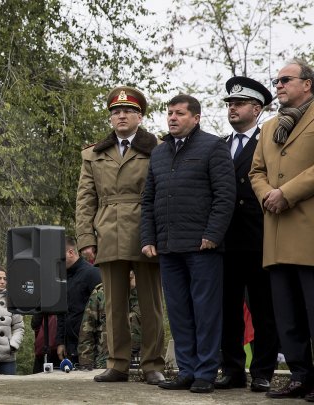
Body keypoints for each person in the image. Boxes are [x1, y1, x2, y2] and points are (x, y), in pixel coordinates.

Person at [141, 94, 235, 393]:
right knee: (179, 312)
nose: (172, 118)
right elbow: (148, 200)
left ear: (195, 118)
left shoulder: (213, 146)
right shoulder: (159, 152)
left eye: (179, 113)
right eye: (169, 113)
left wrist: (213, 234)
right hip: (168, 247)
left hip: (202, 247)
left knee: (206, 312)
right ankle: (187, 371)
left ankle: (206, 372)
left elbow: (225, 196)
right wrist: (148, 238)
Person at [76, 86, 166, 385]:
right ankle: (117, 363)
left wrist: (160, 233)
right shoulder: (94, 153)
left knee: (150, 302)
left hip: (145, 230)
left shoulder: (157, 148)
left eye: (128, 111)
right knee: (113, 304)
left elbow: (165, 193)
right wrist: (86, 238)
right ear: (111, 118)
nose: (122, 116)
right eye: (116, 112)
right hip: (108, 230)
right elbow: (86, 198)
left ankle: (153, 363)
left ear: (140, 116)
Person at [250, 58, 314, 400]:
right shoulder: (268, 126)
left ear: (307, 83)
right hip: (275, 235)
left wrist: (286, 194)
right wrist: (267, 195)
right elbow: (255, 171)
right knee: (287, 316)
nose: (278, 85)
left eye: (285, 79)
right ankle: (301, 377)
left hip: (309, 233)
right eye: (276, 81)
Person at [215, 76, 279, 393]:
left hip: (259, 237)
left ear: (256, 108)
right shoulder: (220, 145)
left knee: (264, 307)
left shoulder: (269, 141)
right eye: (230, 104)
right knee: (228, 309)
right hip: (226, 240)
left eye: (239, 104)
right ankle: (232, 368)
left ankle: (264, 370)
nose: (233, 109)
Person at [78, 271, 142, 370]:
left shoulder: (147, 293)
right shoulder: (101, 292)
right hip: (106, 363)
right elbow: (87, 331)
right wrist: (86, 364)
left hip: (139, 363)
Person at [56, 237, 101, 366]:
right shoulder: (61, 278)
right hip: (70, 347)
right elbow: (61, 312)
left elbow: (103, 310)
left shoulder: (92, 273)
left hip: (91, 346)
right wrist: (60, 341)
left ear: (71, 252)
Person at [0, 266, 23, 375]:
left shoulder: (13, 300)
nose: (3, 281)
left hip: (7, 356)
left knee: (10, 388)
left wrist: (13, 345)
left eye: (5, 278)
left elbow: (19, 327)